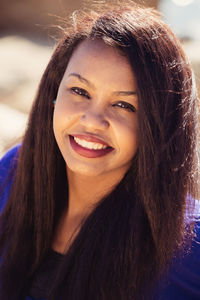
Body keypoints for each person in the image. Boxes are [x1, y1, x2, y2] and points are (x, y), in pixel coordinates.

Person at [0, 2, 200, 299]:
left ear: (158, 125)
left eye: (124, 105)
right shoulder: (14, 170)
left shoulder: (190, 251)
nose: (92, 121)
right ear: (54, 93)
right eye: (79, 92)